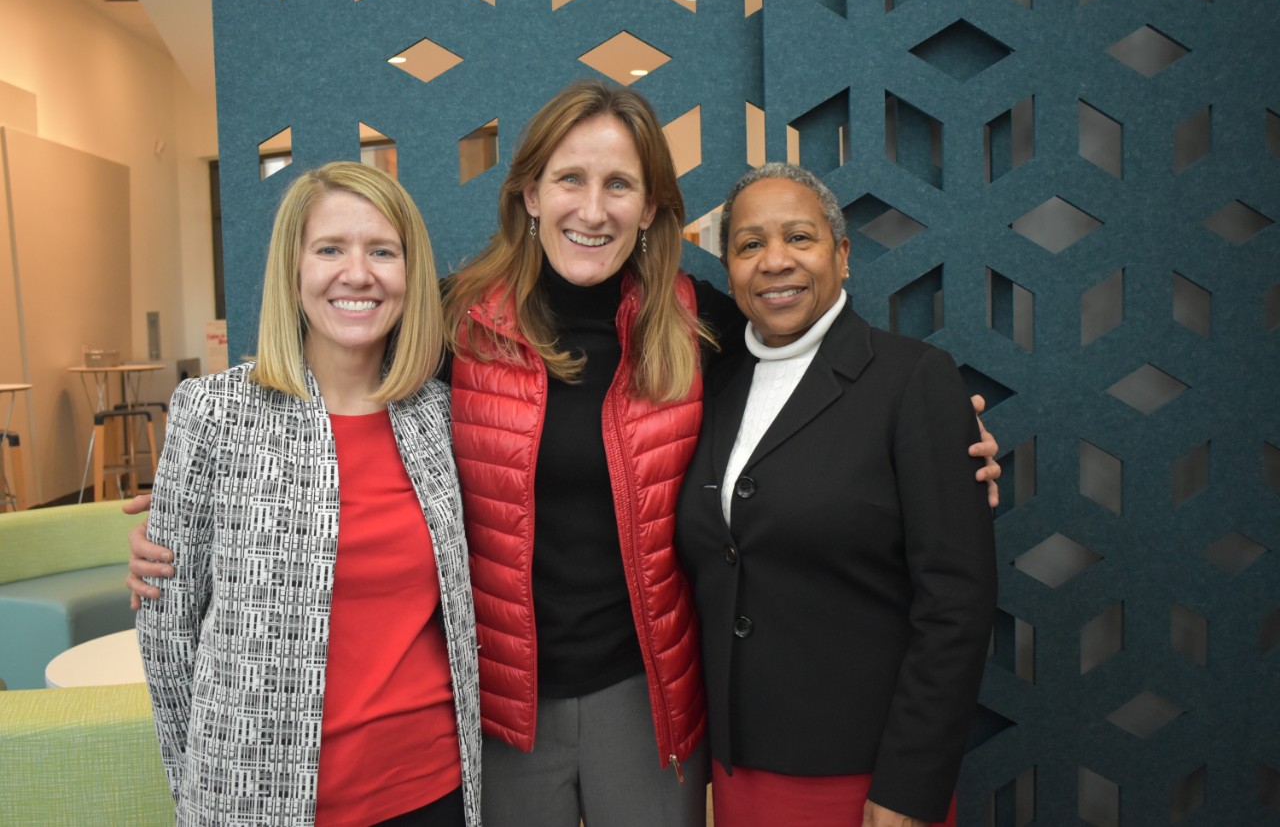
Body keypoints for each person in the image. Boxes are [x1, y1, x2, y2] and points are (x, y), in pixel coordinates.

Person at [129, 82, 1000, 827]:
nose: (593, 207)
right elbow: (337, 372)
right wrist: (201, 489)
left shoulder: (701, 321)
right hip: (501, 704)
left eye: (619, 183)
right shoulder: (454, 320)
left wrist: (939, 446)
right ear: (531, 194)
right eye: (570, 179)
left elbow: (812, 387)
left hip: (649, 698)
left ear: (652, 206)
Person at [135, 162, 480, 827]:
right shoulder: (214, 412)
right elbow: (166, 630)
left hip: (430, 788)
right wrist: (200, 786)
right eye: (330, 249)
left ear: (409, 273)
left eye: (383, 251)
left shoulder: (439, 415)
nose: (358, 273)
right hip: (260, 797)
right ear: (293, 271)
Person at [673, 162, 998, 827]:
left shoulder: (913, 380)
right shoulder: (712, 383)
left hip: (868, 774)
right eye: (749, 245)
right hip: (742, 770)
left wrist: (911, 785)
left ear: (842, 254)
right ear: (729, 268)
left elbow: (956, 604)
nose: (775, 261)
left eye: (799, 237)